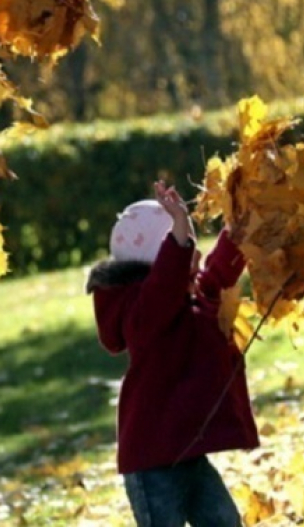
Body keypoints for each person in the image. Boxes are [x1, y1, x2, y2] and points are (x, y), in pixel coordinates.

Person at [85, 180, 259, 526]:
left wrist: (238, 231)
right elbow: (160, 292)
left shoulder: (187, 298)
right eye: (183, 243)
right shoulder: (143, 315)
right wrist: (178, 231)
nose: (195, 252)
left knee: (224, 521)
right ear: (160, 258)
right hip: (152, 462)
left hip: (188, 453)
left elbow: (216, 276)